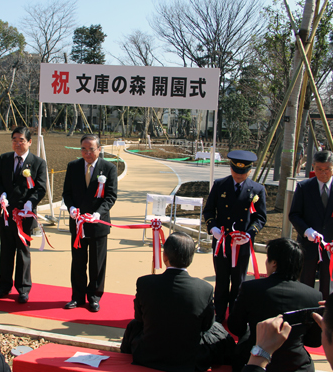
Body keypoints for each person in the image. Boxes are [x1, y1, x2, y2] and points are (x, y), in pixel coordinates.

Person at [121, 232, 234, 372]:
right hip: (189, 359)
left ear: (165, 256)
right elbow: (207, 326)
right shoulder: (204, 288)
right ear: (191, 258)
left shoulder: (145, 283)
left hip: (148, 355)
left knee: (134, 325)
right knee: (218, 330)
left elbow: (139, 318)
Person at [228, 238, 322, 372]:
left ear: (274, 263)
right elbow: (314, 341)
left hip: (254, 360)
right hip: (297, 365)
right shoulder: (313, 295)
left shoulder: (250, 288)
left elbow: (235, 326)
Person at [203, 150, 266, 322]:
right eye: (236, 172)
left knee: (239, 283)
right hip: (222, 243)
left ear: (249, 171)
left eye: (243, 172)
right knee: (222, 281)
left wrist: (250, 233)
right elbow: (209, 210)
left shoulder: (257, 189)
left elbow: (260, 217)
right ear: (231, 169)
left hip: (242, 244)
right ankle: (219, 316)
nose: (238, 176)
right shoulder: (220, 185)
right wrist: (212, 228)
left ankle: (236, 318)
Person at [0, 126, 47, 304]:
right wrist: (3, 195)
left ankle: (22, 288)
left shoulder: (38, 163)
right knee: (6, 251)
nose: (17, 143)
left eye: (21, 140)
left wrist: (31, 203)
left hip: (25, 214)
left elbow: (41, 187)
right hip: (6, 213)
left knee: (23, 252)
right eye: (14, 139)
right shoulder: (5, 158)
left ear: (29, 142)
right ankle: (4, 286)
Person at [62, 134, 117, 312]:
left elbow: (110, 196)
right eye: (84, 149)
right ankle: (77, 297)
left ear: (99, 149)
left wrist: (98, 214)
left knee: (97, 263)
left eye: (91, 149)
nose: (87, 153)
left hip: (97, 224)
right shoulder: (73, 167)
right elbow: (67, 193)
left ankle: (94, 297)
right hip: (78, 223)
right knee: (78, 262)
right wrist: (70, 208)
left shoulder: (108, 168)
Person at [289, 150, 333, 299]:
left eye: (327, 169)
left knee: (328, 285)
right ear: (313, 167)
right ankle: (306, 314)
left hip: (331, 247)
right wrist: (306, 231)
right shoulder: (304, 187)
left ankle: (327, 317)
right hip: (308, 245)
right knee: (306, 283)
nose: (324, 173)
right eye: (319, 169)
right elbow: (294, 214)